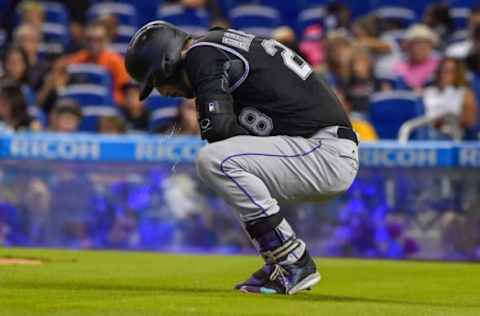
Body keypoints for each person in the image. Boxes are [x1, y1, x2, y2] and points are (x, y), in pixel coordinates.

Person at [125, 21, 359, 295]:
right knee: (224, 164)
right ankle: (279, 264)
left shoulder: (201, 54)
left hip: (322, 151)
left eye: (156, 81)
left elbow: (220, 132)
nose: (162, 92)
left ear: (168, 60)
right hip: (316, 147)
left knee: (215, 160)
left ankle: (292, 259)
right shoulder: (215, 44)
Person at [65, 22, 130, 105]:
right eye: (89, 40)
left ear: (107, 40)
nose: (93, 44)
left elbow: (122, 92)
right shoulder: (76, 60)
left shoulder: (116, 62)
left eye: (99, 40)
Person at [422, 57, 477, 137]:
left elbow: (470, 122)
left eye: (450, 71)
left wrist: (444, 120)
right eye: (442, 70)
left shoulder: (464, 93)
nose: (444, 74)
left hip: (453, 135)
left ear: (457, 73)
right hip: (426, 132)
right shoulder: (428, 91)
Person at [392, 24, 439, 92]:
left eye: (425, 43)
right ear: (409, 46)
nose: (421, 47)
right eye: (417, 43)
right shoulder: (399, 67)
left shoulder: (438, 66)